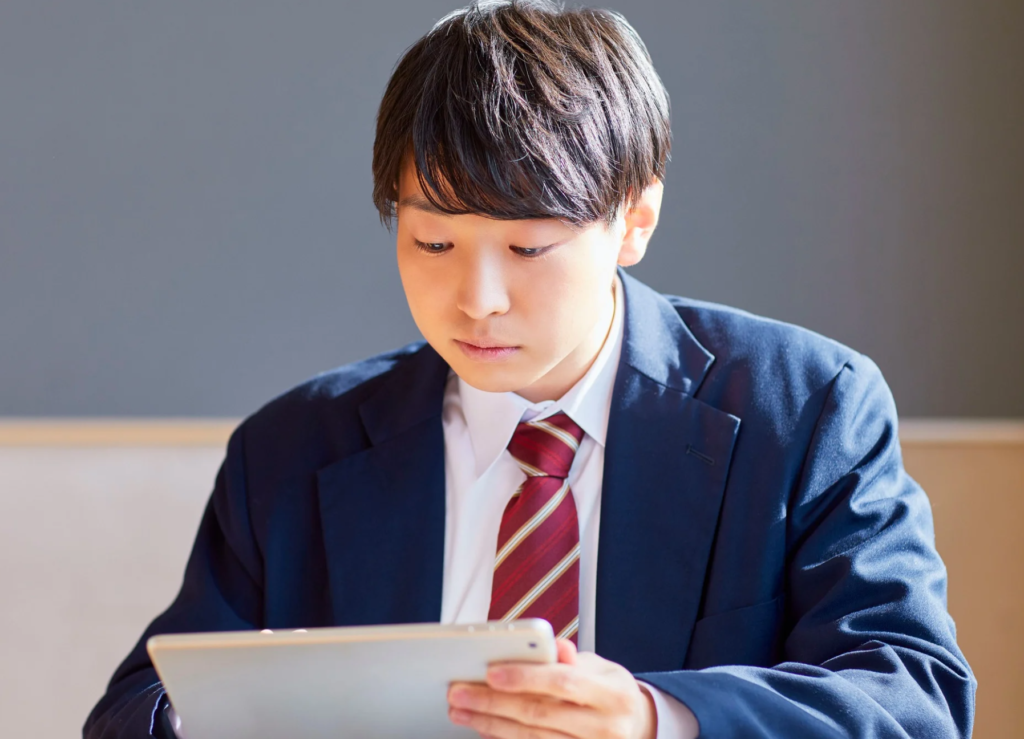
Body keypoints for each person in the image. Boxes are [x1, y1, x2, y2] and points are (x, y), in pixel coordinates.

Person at [84, 1, 975, 737]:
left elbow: (914, 697)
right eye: (433, 242)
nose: (477, 300)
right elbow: (135, 710)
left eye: (528, 247)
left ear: (634, 219)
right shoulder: (292, 450)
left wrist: (660, 717)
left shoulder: (805, 408)